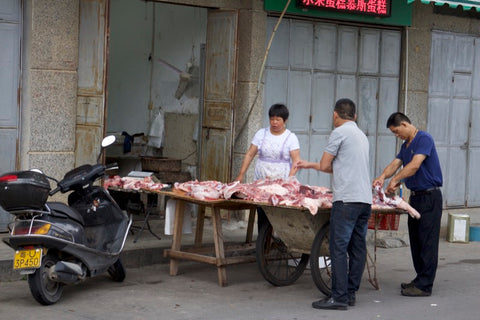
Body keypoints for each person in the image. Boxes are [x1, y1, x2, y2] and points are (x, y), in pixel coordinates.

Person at [295, 98, 371, 310]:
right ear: (354, 116)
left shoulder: (338, 133)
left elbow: (327, 164)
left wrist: (314, 165)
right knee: (357, 247)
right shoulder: (362, 136)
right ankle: (350, 293)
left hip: (346, 199)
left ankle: (338, 297)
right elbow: (345, 165)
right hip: (364, 200)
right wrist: (311, 164)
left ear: (335, 115)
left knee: (338, 248)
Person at [373, 112, 443, 297]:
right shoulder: (406, 146)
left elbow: (414, 166)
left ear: (404, 124)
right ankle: (420, 278)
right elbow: (395, 164)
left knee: (427, 241)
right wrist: (382, 177)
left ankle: (425, 285)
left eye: (397, 131)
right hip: (416, 198)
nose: (397, 136)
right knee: (417, 240)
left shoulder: (424, 138)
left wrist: (395, 181)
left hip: (430, 197)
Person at [235, 103, 300, 231]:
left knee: (279, 214)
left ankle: (277, 241)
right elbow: (250, 154)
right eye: (272, 119)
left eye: (278, 120)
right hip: (262, 179)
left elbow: (296, 161)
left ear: (285, 120)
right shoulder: (261, 134)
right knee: (262, 211)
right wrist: (241, 174)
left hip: (281, 180)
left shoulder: (291, 137)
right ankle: (262, 242)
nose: (274, 123)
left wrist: (289, 181)